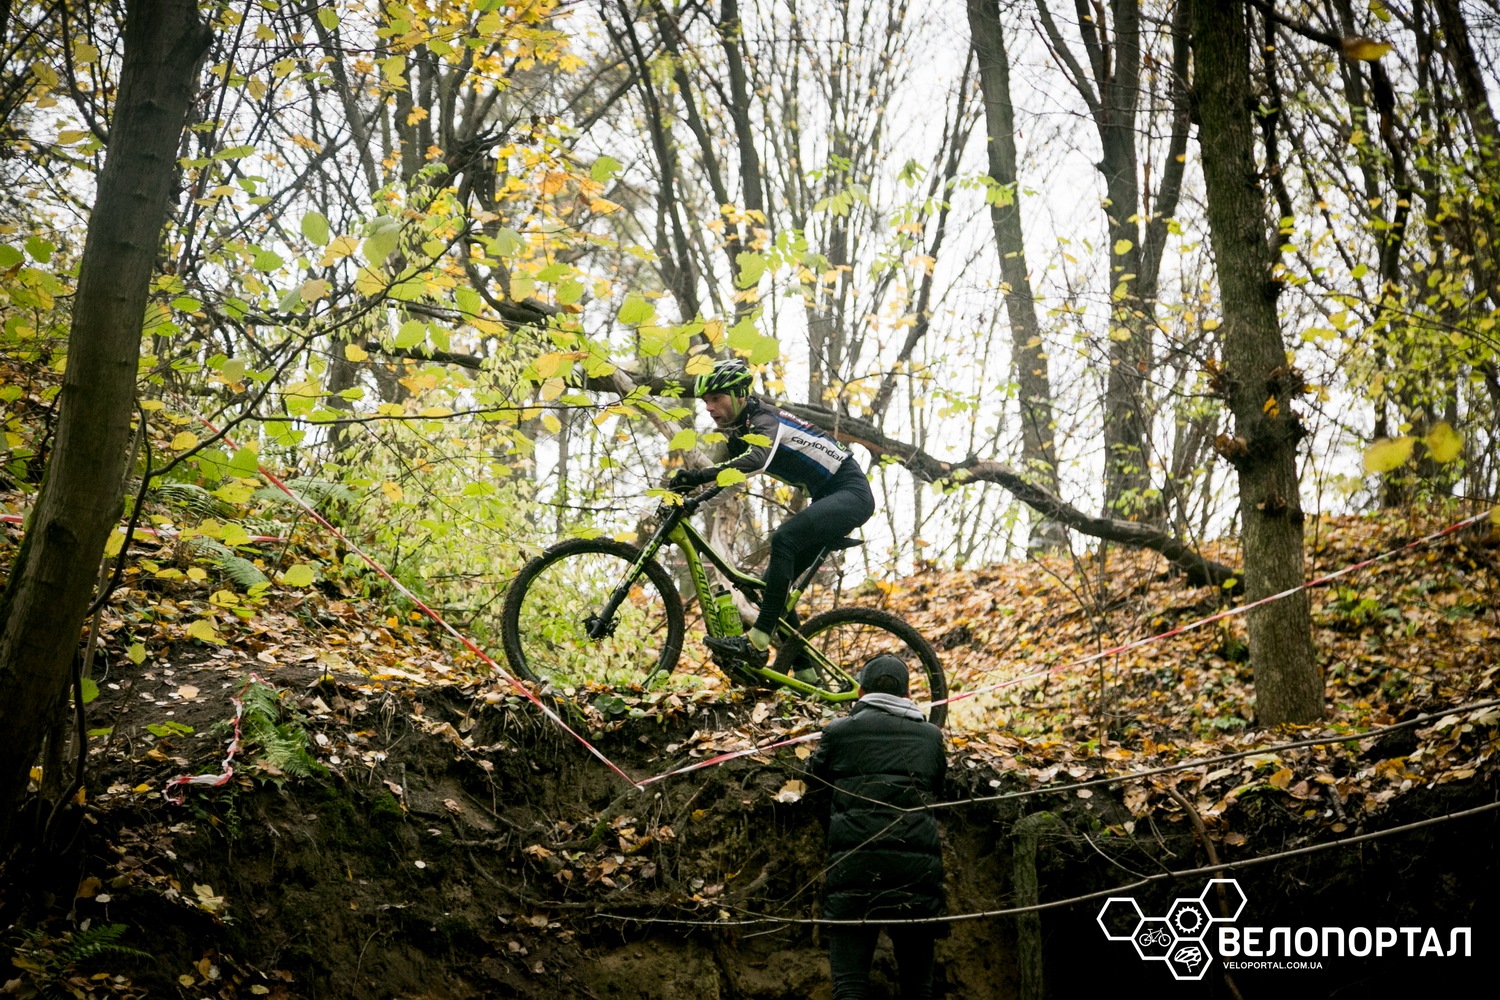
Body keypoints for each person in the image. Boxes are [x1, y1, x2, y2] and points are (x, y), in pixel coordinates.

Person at [668, 357, 874, 672]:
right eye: (706, 400)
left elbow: (758, 460)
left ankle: (757, 642)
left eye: (716, 398)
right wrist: (695, 504)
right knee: (770, 590)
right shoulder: (739, 433)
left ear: (740, 394)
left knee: (783, 540)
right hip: (828, 497)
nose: (709, 407)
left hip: (851, 493)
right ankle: (807, 675)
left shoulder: (765, 420)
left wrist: (699, 476)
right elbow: (733, 483)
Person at [808, 654, 946, 999]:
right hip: (917, 874)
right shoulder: (930, 737)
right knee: (919, 988)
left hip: (853, 869)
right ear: (907, 694)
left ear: (860, 692)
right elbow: (939, 789)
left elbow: (813, 785)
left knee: (850, 987)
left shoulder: (838, 732)